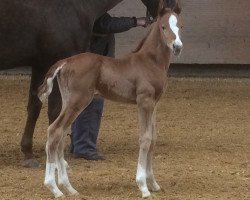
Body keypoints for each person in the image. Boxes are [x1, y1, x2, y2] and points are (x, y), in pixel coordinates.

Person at [70, 13, 151, 160]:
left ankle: (77, 143)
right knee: (92, 102)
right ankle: (84, 147)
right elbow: (104, 23)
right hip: (94, 58)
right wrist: (135, 21)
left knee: (79, 102)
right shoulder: (92, 6)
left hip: (87, 58)